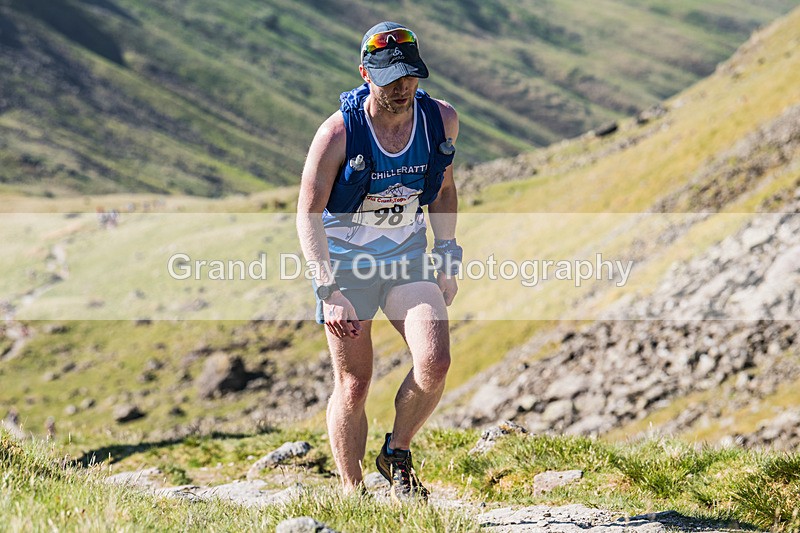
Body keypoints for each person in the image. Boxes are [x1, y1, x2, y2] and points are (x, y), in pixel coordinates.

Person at [296, 21, 461, 502]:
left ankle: (397, 452)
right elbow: (307, 213)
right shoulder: (337, 133)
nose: (402, 86)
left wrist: (447, 255)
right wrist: (328, 291)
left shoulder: (441, 120)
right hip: (345, 269)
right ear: (364, 72)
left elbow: (445, 190)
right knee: (353, 383)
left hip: (406, 259)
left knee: (435, 361)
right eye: (389, 77)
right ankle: (352, 489)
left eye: (410, 75)